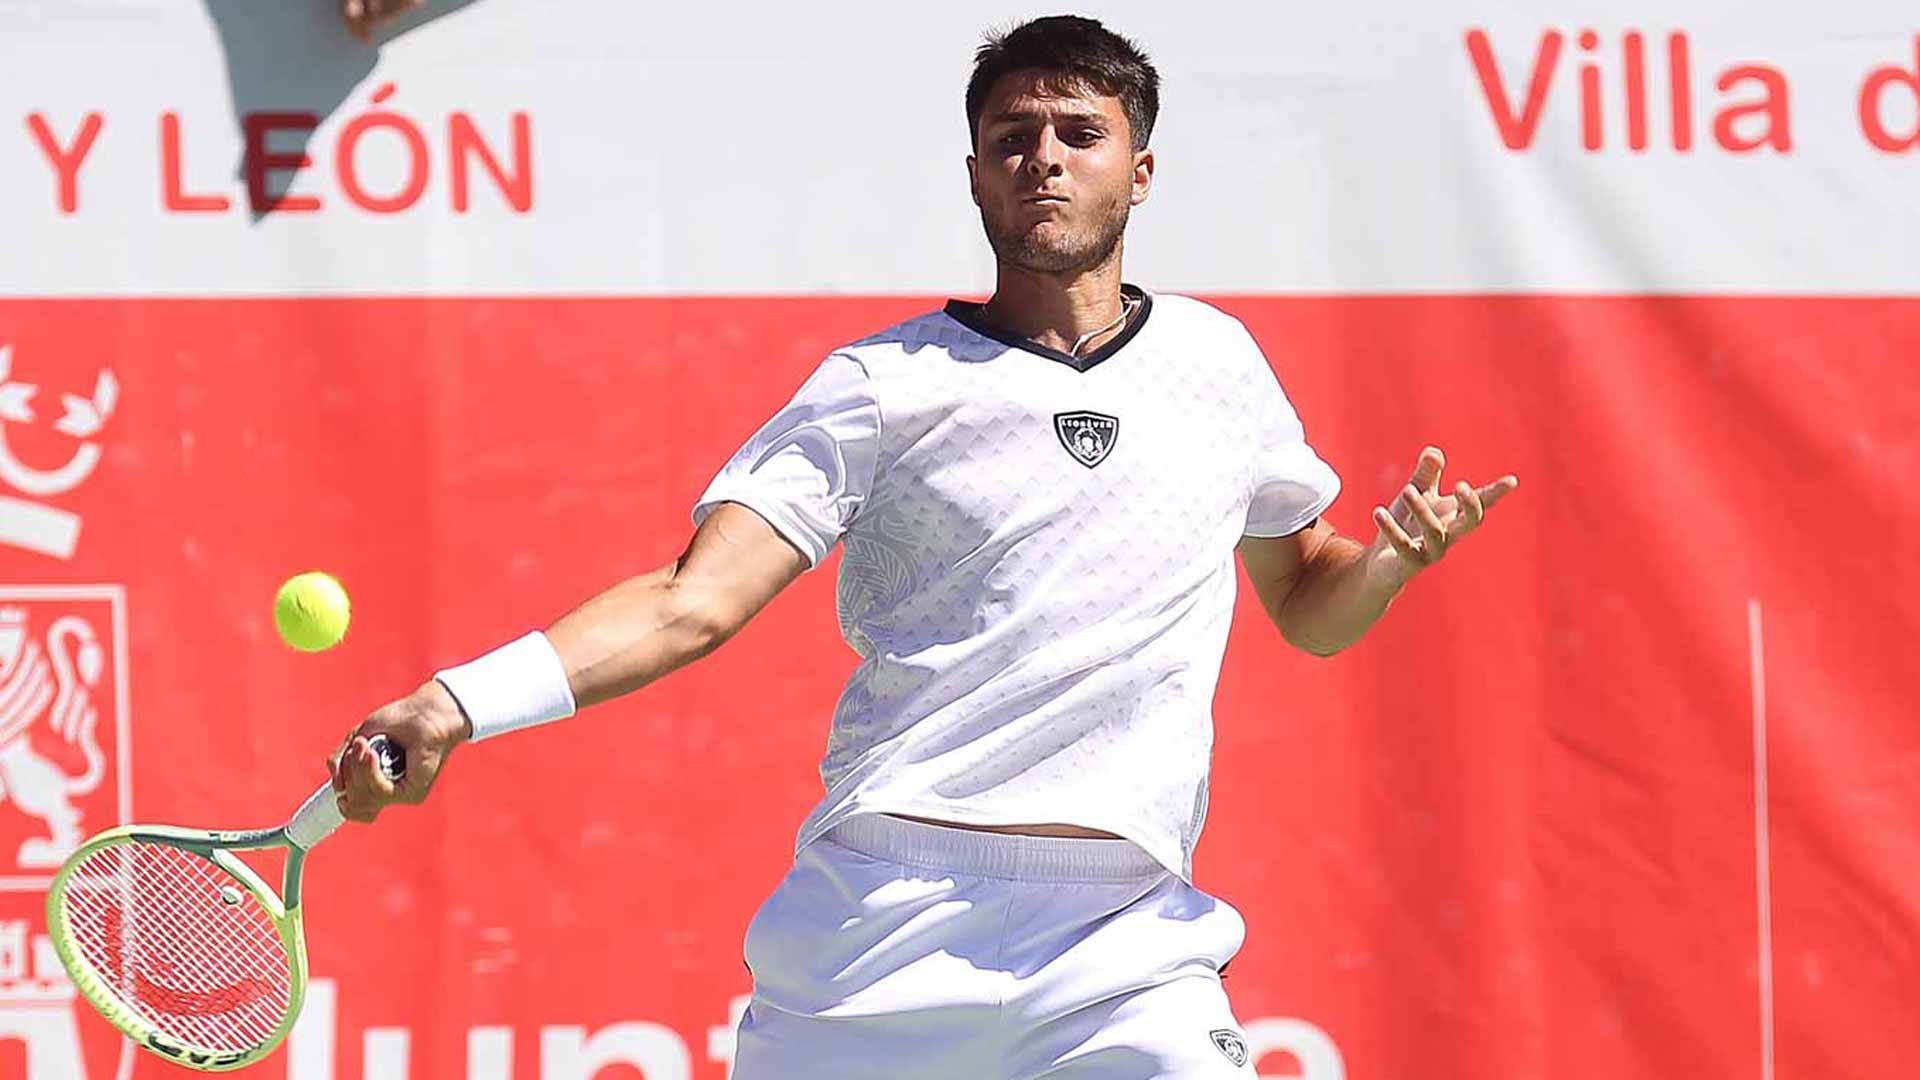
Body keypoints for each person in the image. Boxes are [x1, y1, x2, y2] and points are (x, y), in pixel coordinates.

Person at [330, 15, 1517, 1078]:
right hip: (879, 922)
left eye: (1077, 131)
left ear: (1140, 171)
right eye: (1012, 137)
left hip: (1125, 943)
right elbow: (691, 603)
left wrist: (1388, 563)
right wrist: (453, 703)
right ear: (976, 178)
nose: (1043, 155)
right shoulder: (879, 386)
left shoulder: (1220, 367)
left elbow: (1309, 598)